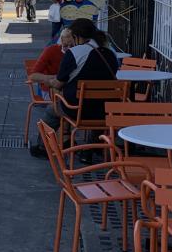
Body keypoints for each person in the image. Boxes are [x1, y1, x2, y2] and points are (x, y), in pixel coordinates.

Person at [33, 18, 120, 153]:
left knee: (53, 110)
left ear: (75, 36)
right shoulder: (111, 54)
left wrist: (48, 80)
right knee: (94, 102)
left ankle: (42, 147)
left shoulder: (74, 53)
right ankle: (93, 147)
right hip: (106, 110)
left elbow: (59, 83)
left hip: (78, 110)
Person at [28, 27, 75, 93]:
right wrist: (57, 77)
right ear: (61, 40)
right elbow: (33, 76)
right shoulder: (51, 50)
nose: (69, 49)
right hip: (50, 89)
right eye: (65, 46)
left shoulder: (79, 54)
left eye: (72, 46)